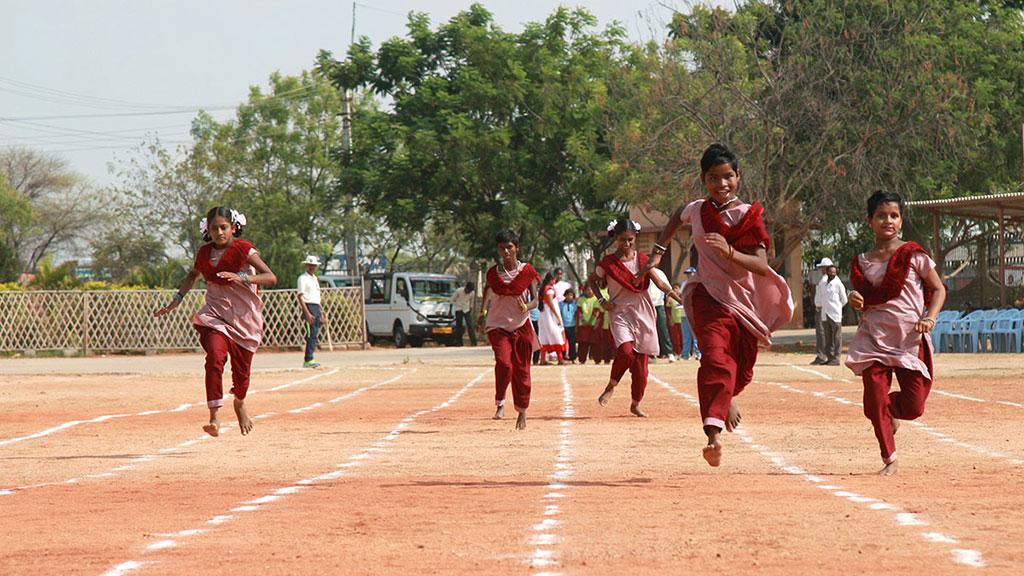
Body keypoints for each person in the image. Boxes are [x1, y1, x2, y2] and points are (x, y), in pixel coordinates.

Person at [638, 143, 794, 466]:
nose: (721, 184)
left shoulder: (748, 216)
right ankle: (713, 435)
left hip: (743, 303)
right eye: (713, 178)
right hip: (708, 297)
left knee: (742, 369)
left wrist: (730, 254)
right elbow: (675, 215)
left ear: (738, 176)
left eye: (727, 177)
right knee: (714, 358)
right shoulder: (697, 210)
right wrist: (658, 249)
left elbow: (762, 264)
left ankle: (729, 396)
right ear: (703, 179)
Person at [845, 190, 946, 476]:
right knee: (874, 400)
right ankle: (890, 458)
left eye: (893, 216)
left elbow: (938, 289)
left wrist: (930, 317)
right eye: (881, 216)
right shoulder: (862, 261)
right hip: (873, 341)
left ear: (901, 220)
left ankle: (886, 412)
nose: (887, 221)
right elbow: (863, 297)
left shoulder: (913, 255)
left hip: (909, 341)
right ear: (869, 220)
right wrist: (855, 299)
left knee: (914, 406)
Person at [155, 206, 277, 437]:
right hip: (215, 315)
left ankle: (239, 403)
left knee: (242, 378)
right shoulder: (204, 254)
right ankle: (214, 416)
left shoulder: (244, 249)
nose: (219, 232)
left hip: (244, 319)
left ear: (233, 228)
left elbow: (270, 277)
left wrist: (242, 276)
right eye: (214, 228)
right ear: (207, 230)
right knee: (214, 358)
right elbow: (193, 274)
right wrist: (177, 299)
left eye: (224, 227)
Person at [587, 218, 683, 418]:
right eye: (622, 240)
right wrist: (602, 301)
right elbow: (592, 280)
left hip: (643, 312)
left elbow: (659, 282)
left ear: (635, 238)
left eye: (630, 240)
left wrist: (675, 295)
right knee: (626, 352)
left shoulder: (642, 260)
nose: (627, 244)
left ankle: (635, 403)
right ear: (615, 238)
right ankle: (611, 385)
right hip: (620, 312)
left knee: (641, 369)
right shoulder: (608, 263)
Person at [478, 229, 541, 430]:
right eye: (501, 248)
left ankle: (522, 411)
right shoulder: (493, 273)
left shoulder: (527, 272)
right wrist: (481, 314)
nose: (505, 251)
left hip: (521, 325)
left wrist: (527, 307)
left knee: (522, 370)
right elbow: (487, 292)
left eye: (509, 247)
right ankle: (500, 402)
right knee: (504, 363)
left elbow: (535, 300)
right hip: (497, 325)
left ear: (516, 248)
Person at [816, 265, 848, 365]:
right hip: (825, 314)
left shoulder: (838, 284)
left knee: (837, 338)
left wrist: (837, 308)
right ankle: (829, 357)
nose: (832, 274)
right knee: (828, 337)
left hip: (835, 315)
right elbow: (820, 298)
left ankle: (836, 358)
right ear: (827, 273)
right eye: (831, 272)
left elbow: (844, 300)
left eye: (834, 273)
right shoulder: (823, 284)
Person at [297, 255, 323, 368]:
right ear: (306, 266)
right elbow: (300, 296)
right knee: (310, 333)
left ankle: (311, 357)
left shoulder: (314, 278)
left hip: (316, 306)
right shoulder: (303, 278)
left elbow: (317, 297)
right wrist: (307, 313)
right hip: (309, 306)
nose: (312, 267)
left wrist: (321, 313)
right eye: (310, 265)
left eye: (314, 266)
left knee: (315, 333)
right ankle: (308, 359)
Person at [537, 269, 567, 365]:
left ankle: (542, 359)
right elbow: (550, 302)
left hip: (543, 315)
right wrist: (557, 315)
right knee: (556, 335)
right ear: (551, 280)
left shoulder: (542, 289)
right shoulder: (549, 289)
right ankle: (560, 359)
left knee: (544, 336)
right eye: (554, 280)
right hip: (550, 315)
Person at [811, 257, 835, 365]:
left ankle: (822, 355)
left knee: (822, 333)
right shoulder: (824, 279)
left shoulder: (826, 280)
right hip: (821, 309)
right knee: (823, 333)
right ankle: (824, 354)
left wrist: (821, 306)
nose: (821, 269)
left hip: (823, 310)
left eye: (823, 267)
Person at [647, 265, 674, 361]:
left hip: (658, 304)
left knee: (662, 328)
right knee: (648, 331)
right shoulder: (642, 272)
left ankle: (669, 352)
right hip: (646, 305)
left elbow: (667, 286)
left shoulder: (659, 273)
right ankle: (650, 354)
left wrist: (670, 296)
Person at [680, 267, 701, 360]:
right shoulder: (684, 284)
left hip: (694, 312)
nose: (688, 275)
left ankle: (699, 353)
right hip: (684, 313)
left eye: (690, 273)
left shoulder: (698, 283)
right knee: (686, 335)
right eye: (687, 273)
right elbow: (681, 296)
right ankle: (685, 354)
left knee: (696, 334)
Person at [575, 285, 599, 364]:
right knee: (582, 343)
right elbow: (579, 311)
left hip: (593, 325)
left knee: (595, 343)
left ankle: (597, 359)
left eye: (591, 290)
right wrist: (583, 321)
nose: (589, 292)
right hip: (583, 325)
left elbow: (595, 311)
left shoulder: (596, 300)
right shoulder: (581, 300)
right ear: (584, 291)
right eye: (588, 290)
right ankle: (582, 359)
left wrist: (590, 321)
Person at [449, 282, 478, 346]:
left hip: (466, 309)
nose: (468, 292)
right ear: (466, 288)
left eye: (470, 291)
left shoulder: (472, 293)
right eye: (468, 290)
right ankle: (459, 342)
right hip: (458, 309)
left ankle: (473, 342)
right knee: (459, 326)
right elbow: (452, 300)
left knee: (470, 325)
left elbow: (471, 302)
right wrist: (450, 311)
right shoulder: (459, 291)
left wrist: (470, 309)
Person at [666, 282, 684, 361]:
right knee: (675, 337)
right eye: (673, 289)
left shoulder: (683, 297)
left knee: (683, 336)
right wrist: (670, 319)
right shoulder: (671, 299)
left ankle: (684, 352)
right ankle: (677, 351)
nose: (675, 290)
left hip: (682, 320)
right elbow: (668, 310)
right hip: (675, 320)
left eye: (676, 288)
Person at [560, 289, 579, 362]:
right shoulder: (561, 304)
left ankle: (572, 357)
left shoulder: (575, 304)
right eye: (568, 295)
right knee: (563, 342)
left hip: (572, 325)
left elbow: (577, 315)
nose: (569, 296)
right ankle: (563, 356)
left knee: (572, 342)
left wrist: (576, 326)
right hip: (563, 326)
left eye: (571, 295)